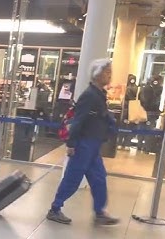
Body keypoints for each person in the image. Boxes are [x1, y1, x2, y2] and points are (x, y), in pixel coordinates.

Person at [46, 58, 119, 226]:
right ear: (97, 74)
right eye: (107, 72)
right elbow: (78, 121)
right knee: (72, 178)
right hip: (83, 144)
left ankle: (100, 212)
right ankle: (55, 209)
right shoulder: (89, 96)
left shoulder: (100, 95)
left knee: (99, 178)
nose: (110, 75)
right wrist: (71, 144)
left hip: (94, 145)